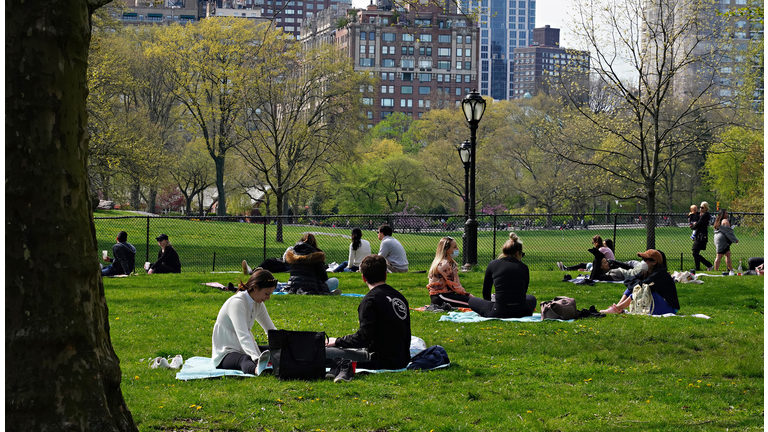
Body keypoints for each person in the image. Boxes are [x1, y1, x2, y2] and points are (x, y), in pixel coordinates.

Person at [325, 255, 412, 381]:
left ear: (363, 278)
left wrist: (337, 341)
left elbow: (363, 338)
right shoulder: (399, 297)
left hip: (380, 360)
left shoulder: (370, 301)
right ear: (385, 274)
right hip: (402, 357)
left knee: (323, 352)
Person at [212, 269, 278, 375]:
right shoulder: (237, 303)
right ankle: (257, 369)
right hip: (226, 354)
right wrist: (256, 359)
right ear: (255, 287)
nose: (268, 298)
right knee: (245, 358)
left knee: (273, 350)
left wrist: (283, 346)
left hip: (243, 348)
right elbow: (243, 336)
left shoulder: (258, 304)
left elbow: (271, 330)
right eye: (266, 293)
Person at [469, 232, 536, 318]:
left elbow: (486, 292)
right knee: (531, 298)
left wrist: (489, 304)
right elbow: (523, 292)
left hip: (499, 311)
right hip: (522, 311)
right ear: (517, 253)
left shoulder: (493, 264)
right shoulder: (524, 267)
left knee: (472, 300)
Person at [600, 249, 680, 315]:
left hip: (670, 307)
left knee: (641, 289)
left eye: (645, 260)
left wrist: (637, 283)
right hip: (658, 302)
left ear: (654, 262)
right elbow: (628, 280)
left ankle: (618, 308)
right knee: (637, 287)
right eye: (642, 259)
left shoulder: (660, 273)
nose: (643, 262)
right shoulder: (646, 271)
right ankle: (618, 307)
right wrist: (637, 283)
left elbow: (643, 284)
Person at [426, 237, 473, 307]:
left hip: (448, 294)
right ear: (447, 250)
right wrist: (467, 294)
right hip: (440, 296)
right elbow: (454, 285)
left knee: (474, 302)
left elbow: (456, 283)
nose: (457, 249)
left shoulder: (451, 263)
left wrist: (465, 294)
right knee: (473, 304)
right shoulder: (445, 265)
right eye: (455, 247)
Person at [713, 209, 739, 273]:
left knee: (728, 254)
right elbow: (728, 232)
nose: (727, 215)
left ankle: (731, 270)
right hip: (722, 239)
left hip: (717, 237)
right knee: (719, 256)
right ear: (723, 214)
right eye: (726, 213)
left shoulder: (718, 220)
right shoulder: (725, 220)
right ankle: (715, 271)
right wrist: (735, 239)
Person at [691, 201, 713, 271]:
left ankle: (709, 265)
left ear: (706, 208)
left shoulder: (705, 216)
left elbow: (699, 224)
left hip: (702, 236)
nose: (701, 209)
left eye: (702, 207)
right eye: (700, 207)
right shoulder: (701, 215)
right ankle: (697, 268)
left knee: (695, 252)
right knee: (695, 252)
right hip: (699, 235)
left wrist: (693, 226)